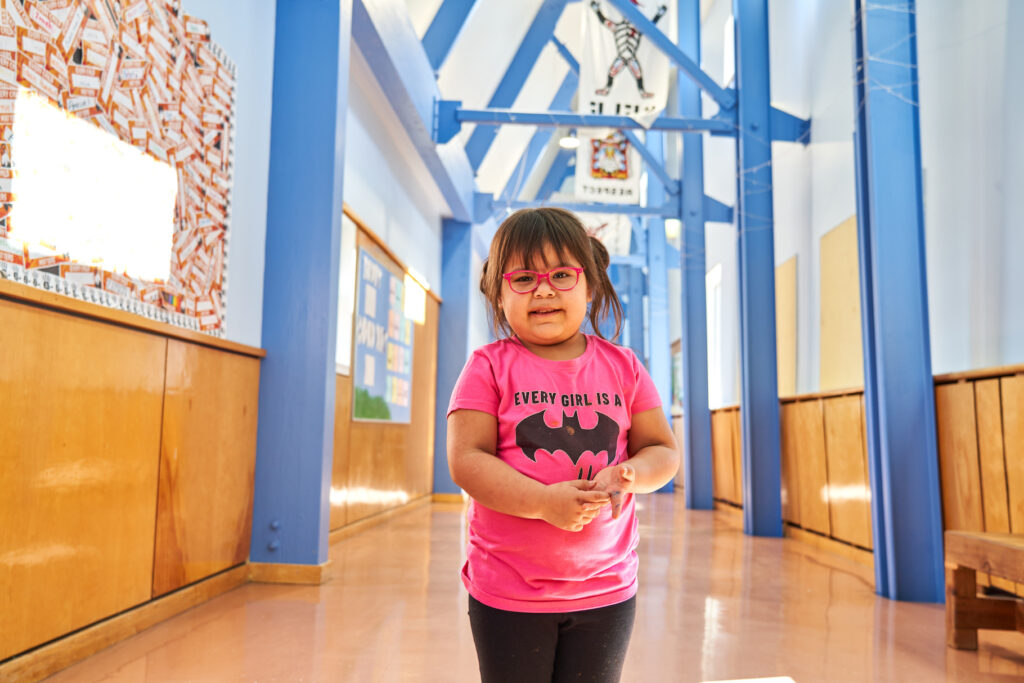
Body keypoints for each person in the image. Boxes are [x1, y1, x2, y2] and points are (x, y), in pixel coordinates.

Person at [446, 207, 679, 682]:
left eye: (561, 274)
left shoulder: (623, 366)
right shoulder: (487, 367)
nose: (544, 289)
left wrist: (632, 473)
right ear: (499, 291)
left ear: (589, 284)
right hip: (509, 590)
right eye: (525, 277)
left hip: (607, 589)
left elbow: (663, 451)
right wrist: (541, 503)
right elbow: (467, 460)